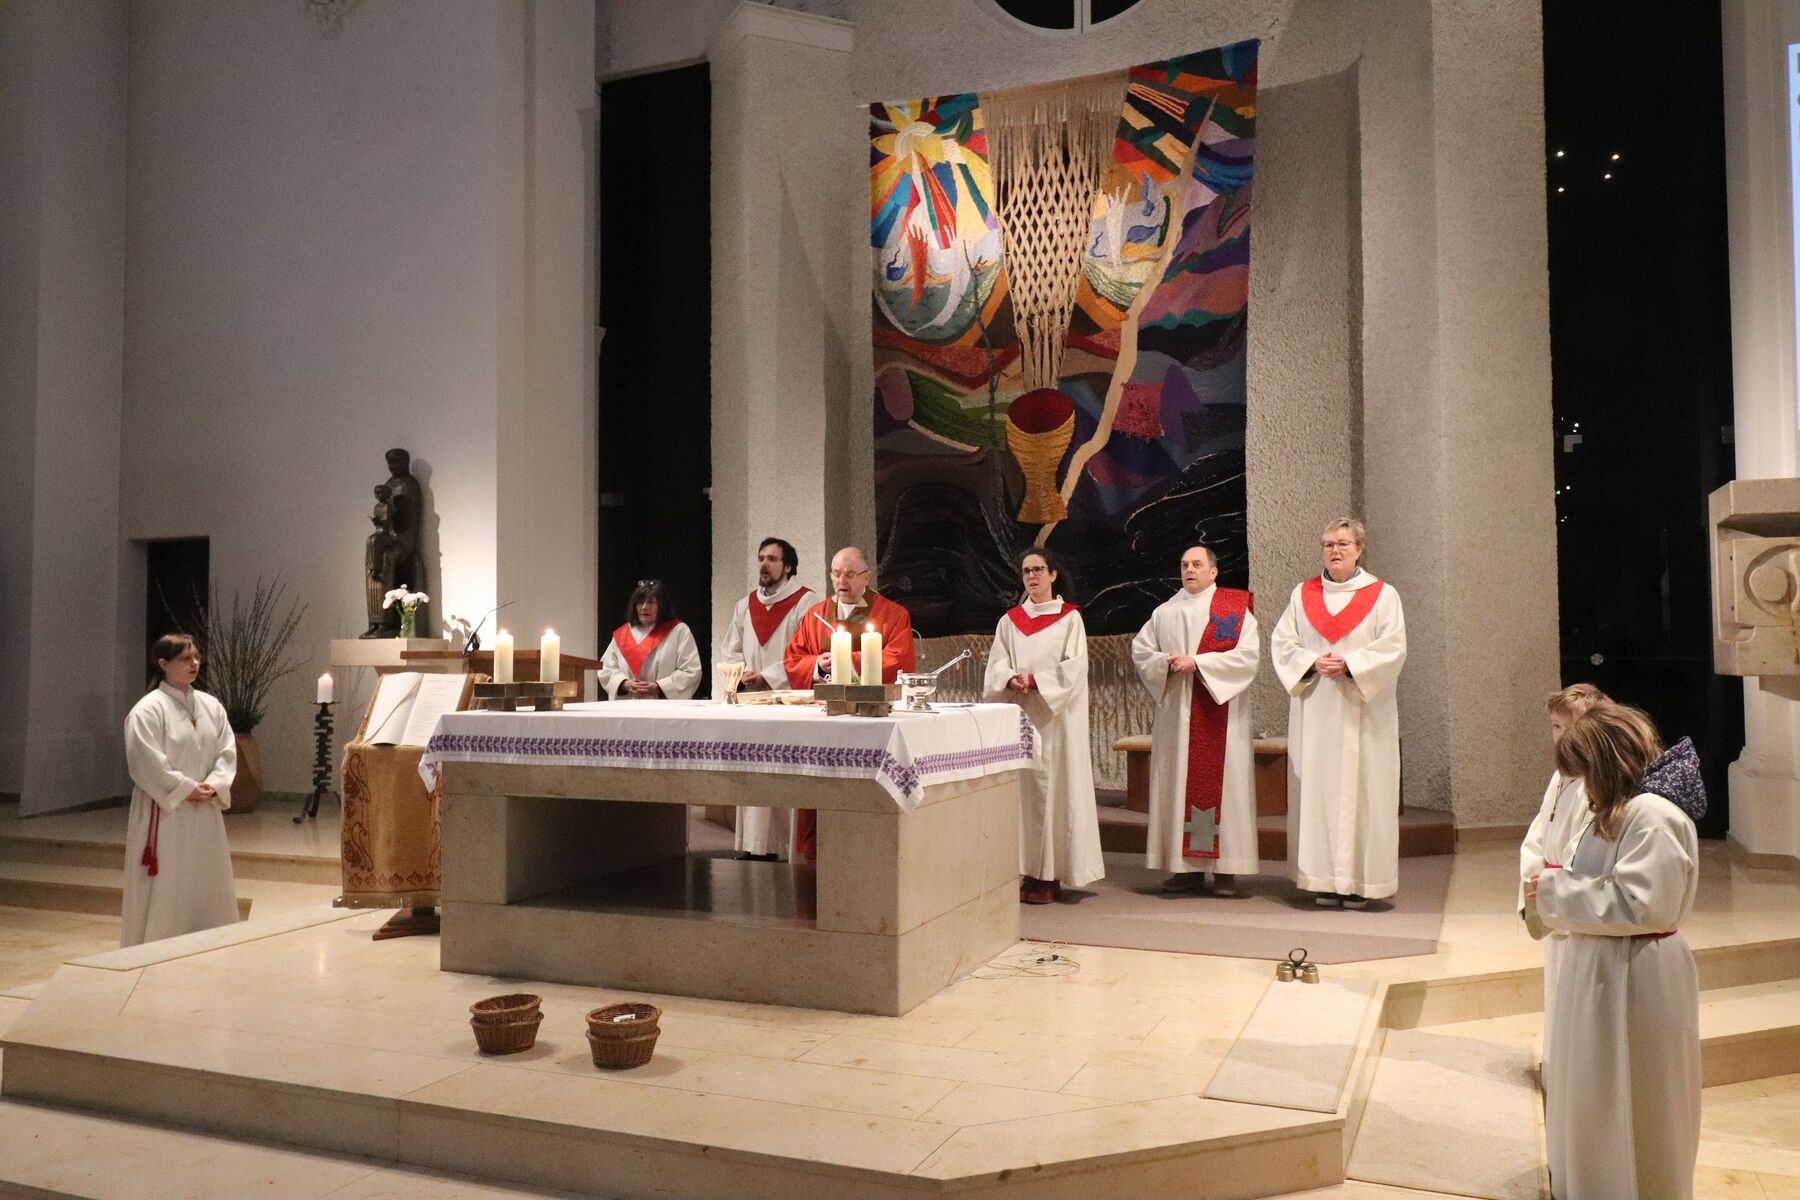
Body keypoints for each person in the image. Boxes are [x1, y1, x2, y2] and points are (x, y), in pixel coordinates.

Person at [1527, 704, 1702, 1200]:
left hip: (1635, 974)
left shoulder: (1652, 815)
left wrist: (1553, 891)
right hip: (1606, 967)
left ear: (1604, 764)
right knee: (1599, 1092)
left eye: (1585, 773)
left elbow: (1642, 904)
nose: (1583, 788)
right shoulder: (1624, 809)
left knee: (1634, 1095)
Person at [1271, 518, 1407, 908]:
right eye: (1329, 544)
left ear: (1359, 549)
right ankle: (1324, 880)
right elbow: (1283, 643)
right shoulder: (1303, 594)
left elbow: (1393, 648)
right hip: (1317, 709)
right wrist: (1312, 662)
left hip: (1363, 711)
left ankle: (1362, 883)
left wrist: (1351, 665)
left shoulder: (1383, 596)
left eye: (1343, 544)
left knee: (1366, 792)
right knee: (1318, 791)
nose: (1335, 551)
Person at [1130, 545, 1260, 895]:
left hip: (1220, 714)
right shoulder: (1165, 612)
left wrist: (1199, 663)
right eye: (1185, 564)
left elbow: (1248, 657)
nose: (1189, 570)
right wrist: (1165, 663)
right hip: (1178, 716)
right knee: (1178, 784)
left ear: (1213, 572)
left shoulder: (1233, 608)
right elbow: (1142, 651)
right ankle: (1184, 867)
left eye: (1197, 564)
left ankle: (1225, 870)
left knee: (1226, 788)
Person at [983, 548, 1102, 903]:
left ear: (1053, 575)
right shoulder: (1010, 621)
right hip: (1023, 716)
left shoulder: (1070, 619)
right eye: (1026, 571)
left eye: (1038, 570)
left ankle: (1051, 876)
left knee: (1057, 792)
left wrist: (1037, 681)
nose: (1032, 576)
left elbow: (1074, 668)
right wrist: (1010, 678)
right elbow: (996, 664)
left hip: (1057, 719)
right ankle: (1028, 871)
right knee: (1026, 796)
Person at [782, 546, 916, 857]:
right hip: (824, 722)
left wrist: (847, 660)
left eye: (850, 574)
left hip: (870, 722)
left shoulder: (893, 614)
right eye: (836, 574)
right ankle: (815, 852)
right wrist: (818, 665)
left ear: (867, 577)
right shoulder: (816, 615)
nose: (841, 581)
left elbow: (898, 660)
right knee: (820, 788)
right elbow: (793, 659)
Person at [120, 634, 240, 948]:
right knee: (168, 882)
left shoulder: (211, 706)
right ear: (163, 664)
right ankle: (159, 944)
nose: (194, 663)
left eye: (196, 657)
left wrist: (215, 784)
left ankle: (210, 942)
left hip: (204, 810)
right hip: (166, 811)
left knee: (205, 877)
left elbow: (227, 750)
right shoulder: (148, 710)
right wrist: (184, 788)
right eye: (185, 659)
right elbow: (143, 760)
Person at [1518, 682, 1609, 1067]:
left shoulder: (1596, 782)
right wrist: (1533, 883)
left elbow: (1585, 845)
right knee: (1555, 991)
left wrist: (1559, 887)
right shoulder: (1560, 777)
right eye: (1554, 727)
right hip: (1549, 890)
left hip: (1570, 895)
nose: (1559, 737)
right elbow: (1538, 833)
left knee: (1575, 995)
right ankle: (1557, 1067)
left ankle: (1575, 1069)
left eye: (1567, 728)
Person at [720, 537, 813, 860]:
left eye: (772, 559)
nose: (764, 564)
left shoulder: (805, 602)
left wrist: (770, 676)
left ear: (788, 567)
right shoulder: (745, 604)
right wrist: (741, 673)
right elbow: (730, 649)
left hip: (788, 699)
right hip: (751, 699)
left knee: (783, 770)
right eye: (761, 558)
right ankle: (754, 844)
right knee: (753, 770)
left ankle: (782, 846)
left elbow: (806, 652)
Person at [597, 580, 702, 700]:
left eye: (651, 602)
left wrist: (660, 687)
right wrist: (624, 683)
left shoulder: (678, 631)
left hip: (662, 705)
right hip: (628, 704)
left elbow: (690, 670)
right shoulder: (623, 634)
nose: (644, 607)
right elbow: (606, 669)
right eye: (640, 602)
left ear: (662, 606)